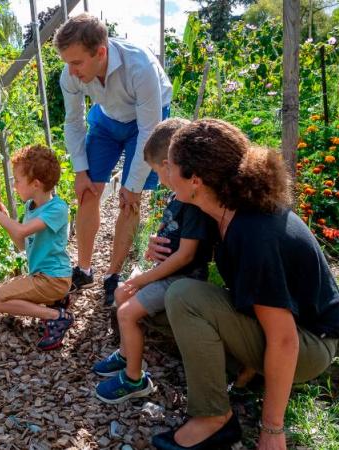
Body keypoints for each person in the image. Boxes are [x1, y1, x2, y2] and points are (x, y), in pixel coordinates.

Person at [146, 119, 339, 450]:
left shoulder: (253, 231)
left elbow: (283, 339)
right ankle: (247, 373)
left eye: (172, 166)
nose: (165, 175)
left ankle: (214, 419)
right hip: (281, 330)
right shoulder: (220, 210)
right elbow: (185, 256)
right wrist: (161, 248)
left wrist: (272, 431)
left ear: (195, 179)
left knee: (183, 297)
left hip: (307, 345)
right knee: (158, 306)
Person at [92, 118, 218, 404]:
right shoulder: (178, 195)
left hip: (184, 281)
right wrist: (152, 252)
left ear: (169, 164)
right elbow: (170, 238)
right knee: (122, 292)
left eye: (158, 172)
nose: (159, 180)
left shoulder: (193, 203)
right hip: (166, 274)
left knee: (126, 311)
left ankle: (135, 379)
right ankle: (126, 354)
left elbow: (186, 255)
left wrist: (144, 277)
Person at [54, 13, 173, 306]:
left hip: (146, 122)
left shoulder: (139, 66)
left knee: (131, 199)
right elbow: (74, 123)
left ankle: (113, 275)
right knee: (86, 191)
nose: (71, 70)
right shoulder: (69, 75)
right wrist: (81, 171)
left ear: (101, 52)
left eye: (77, 62)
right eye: (67, 62)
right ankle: (83, 269)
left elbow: (148, 129)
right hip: (107, 120)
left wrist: (132, 183)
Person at [0, 145, 74, 351]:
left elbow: (23, 231)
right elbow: (23, 243)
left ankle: (57, 316)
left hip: (54, 279)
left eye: (17, 181)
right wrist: (4, 218)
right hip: (43, 277)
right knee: (2, 295)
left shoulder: (57, 209)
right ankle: (56, 302)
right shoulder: (30, 207)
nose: (14, 186)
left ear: (35, 184)